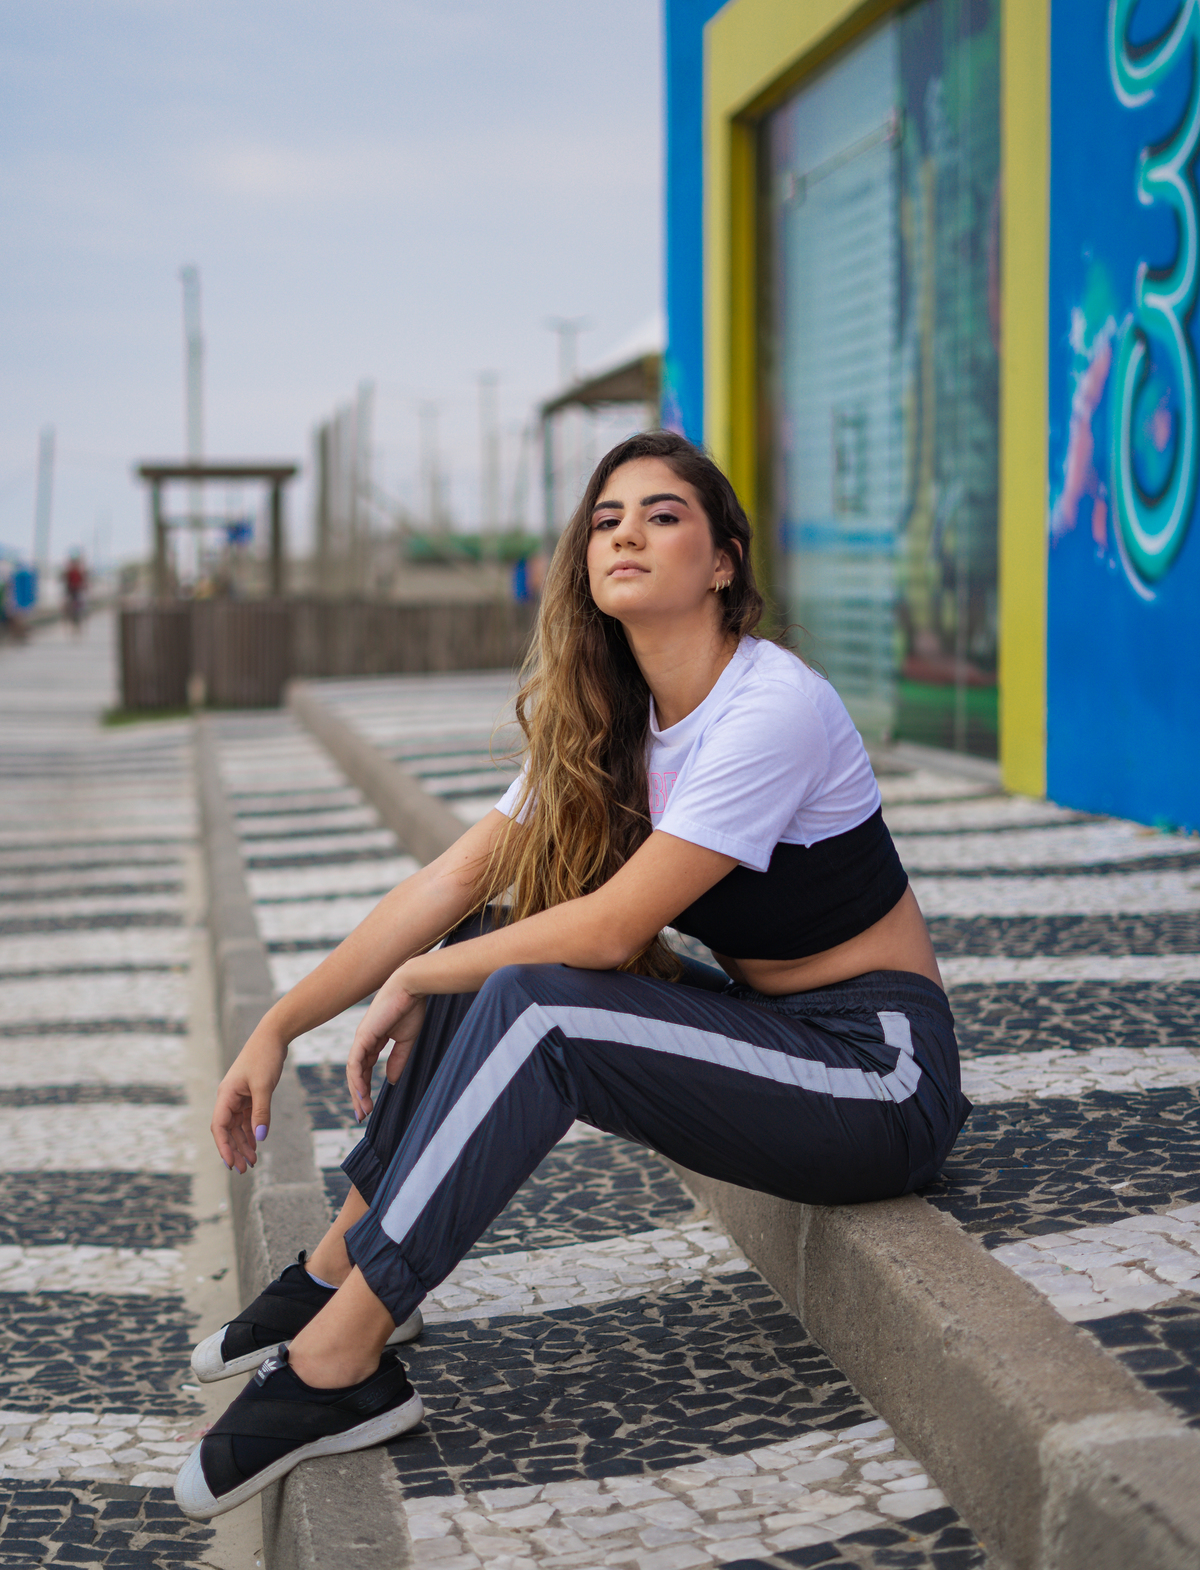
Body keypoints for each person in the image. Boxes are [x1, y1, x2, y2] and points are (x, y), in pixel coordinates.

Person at [175, 431, 971, 1520]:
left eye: (662, 514)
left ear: (724, 561)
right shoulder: (617, 727)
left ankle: (338, 1366)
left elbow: (607, 934)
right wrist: (279, 1023)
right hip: (772, 1030)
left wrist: (430, 970)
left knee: (535, 992)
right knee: (503, 932)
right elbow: (452, 881)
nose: (628, 533)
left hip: (879, 1072)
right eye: (606, 519)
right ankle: (337, 1268)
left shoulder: (769, 705)